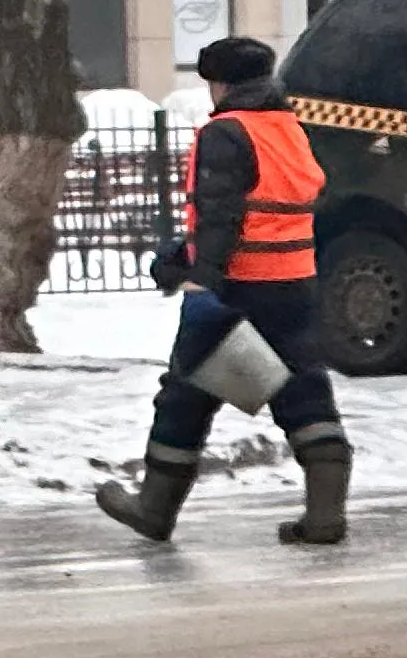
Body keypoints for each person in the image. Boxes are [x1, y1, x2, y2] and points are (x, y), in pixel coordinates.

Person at [98, 35, 355, 545]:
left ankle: (154, 508)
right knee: (303, 386)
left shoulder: (227, 132)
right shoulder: (288, 129)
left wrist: (199, 277)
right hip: (295, 283)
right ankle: (325, 517)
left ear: (222, 83)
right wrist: (181, 256)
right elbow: (272, 208)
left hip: (238, 286)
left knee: (187, 393)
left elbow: (221, 216)